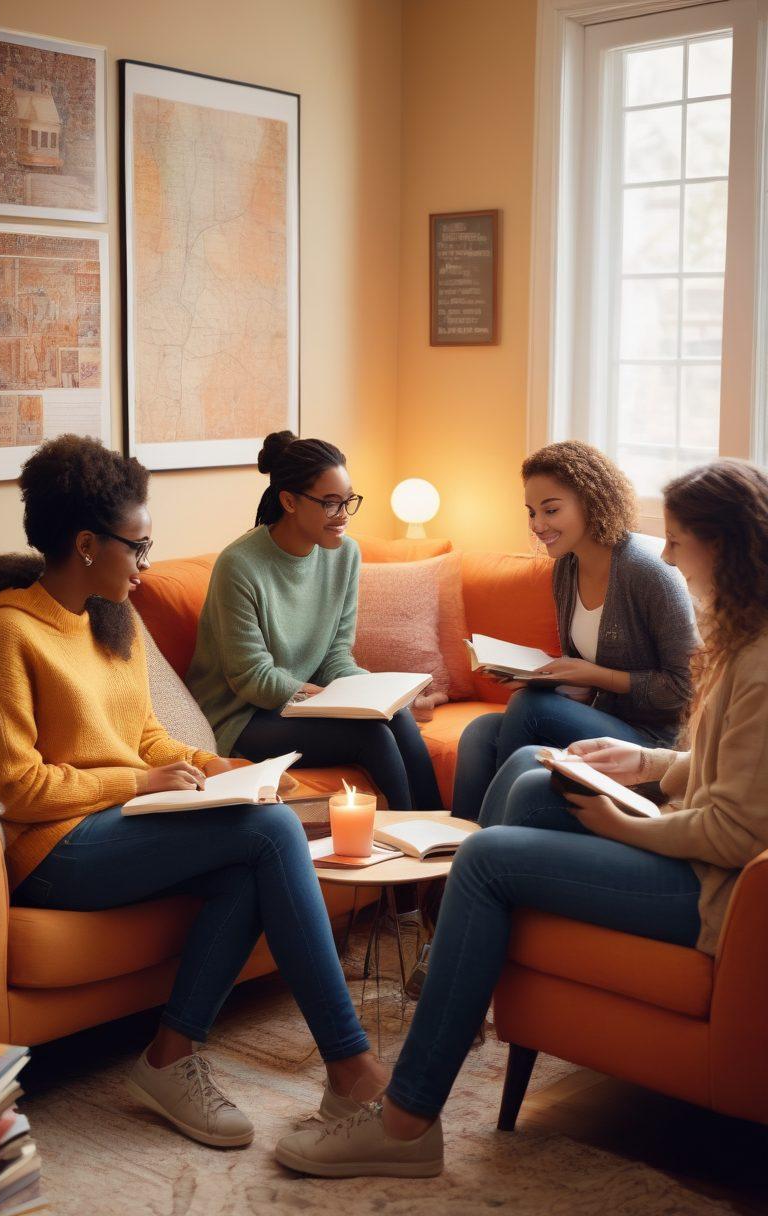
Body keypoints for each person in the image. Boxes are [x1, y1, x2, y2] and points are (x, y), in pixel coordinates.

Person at [274, 458, 768, 1177]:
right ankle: (454, 984)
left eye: (681, 539)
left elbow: (732, 831)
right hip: (687, 840)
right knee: (534, 769)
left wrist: (624, 826)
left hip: (715, 888)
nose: (667, 552)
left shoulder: (757, 663)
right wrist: (648, 768)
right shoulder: (743, 639)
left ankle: (408, 1120)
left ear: (723, 545)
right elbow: (722, 764)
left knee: (490, 857)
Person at [0, 435, 386, 1150]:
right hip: (56, 849)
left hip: (125, 822)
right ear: (86, 543)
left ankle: (169, 1060)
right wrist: (140, 782)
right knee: (269, 838)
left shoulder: (112, 618)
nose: (146, 567)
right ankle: (352, 1068)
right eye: (138, 549)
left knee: (256, 845)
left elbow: (146, 735)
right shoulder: (6, 635)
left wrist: (221, 769)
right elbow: (14, 785)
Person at [187, 430, 442, 810]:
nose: (342, 516)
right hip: (243, 717)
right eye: (329, 503)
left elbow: (336, 654)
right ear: (289, 500)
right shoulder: (239, 566)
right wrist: (327, 699)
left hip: (302, 705)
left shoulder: (344, 555)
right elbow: (250, 678)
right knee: (373, 737)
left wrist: (377, 695)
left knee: (397, 718)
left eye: (348, 501)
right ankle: (407, 844)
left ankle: (436, 834)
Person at [453, 441, 696, 822]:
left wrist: (593, 676)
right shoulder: (566, 570)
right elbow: (584, 679)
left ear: (591, 501)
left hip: (653, 744)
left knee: (531, 710)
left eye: (551, 510)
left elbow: (683, 690)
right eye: (532, 512)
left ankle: (490, 842)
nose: (538, 525)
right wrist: (540, 677)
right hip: (603, 720)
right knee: (480, 732)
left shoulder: (647, 573)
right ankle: (453, 849)